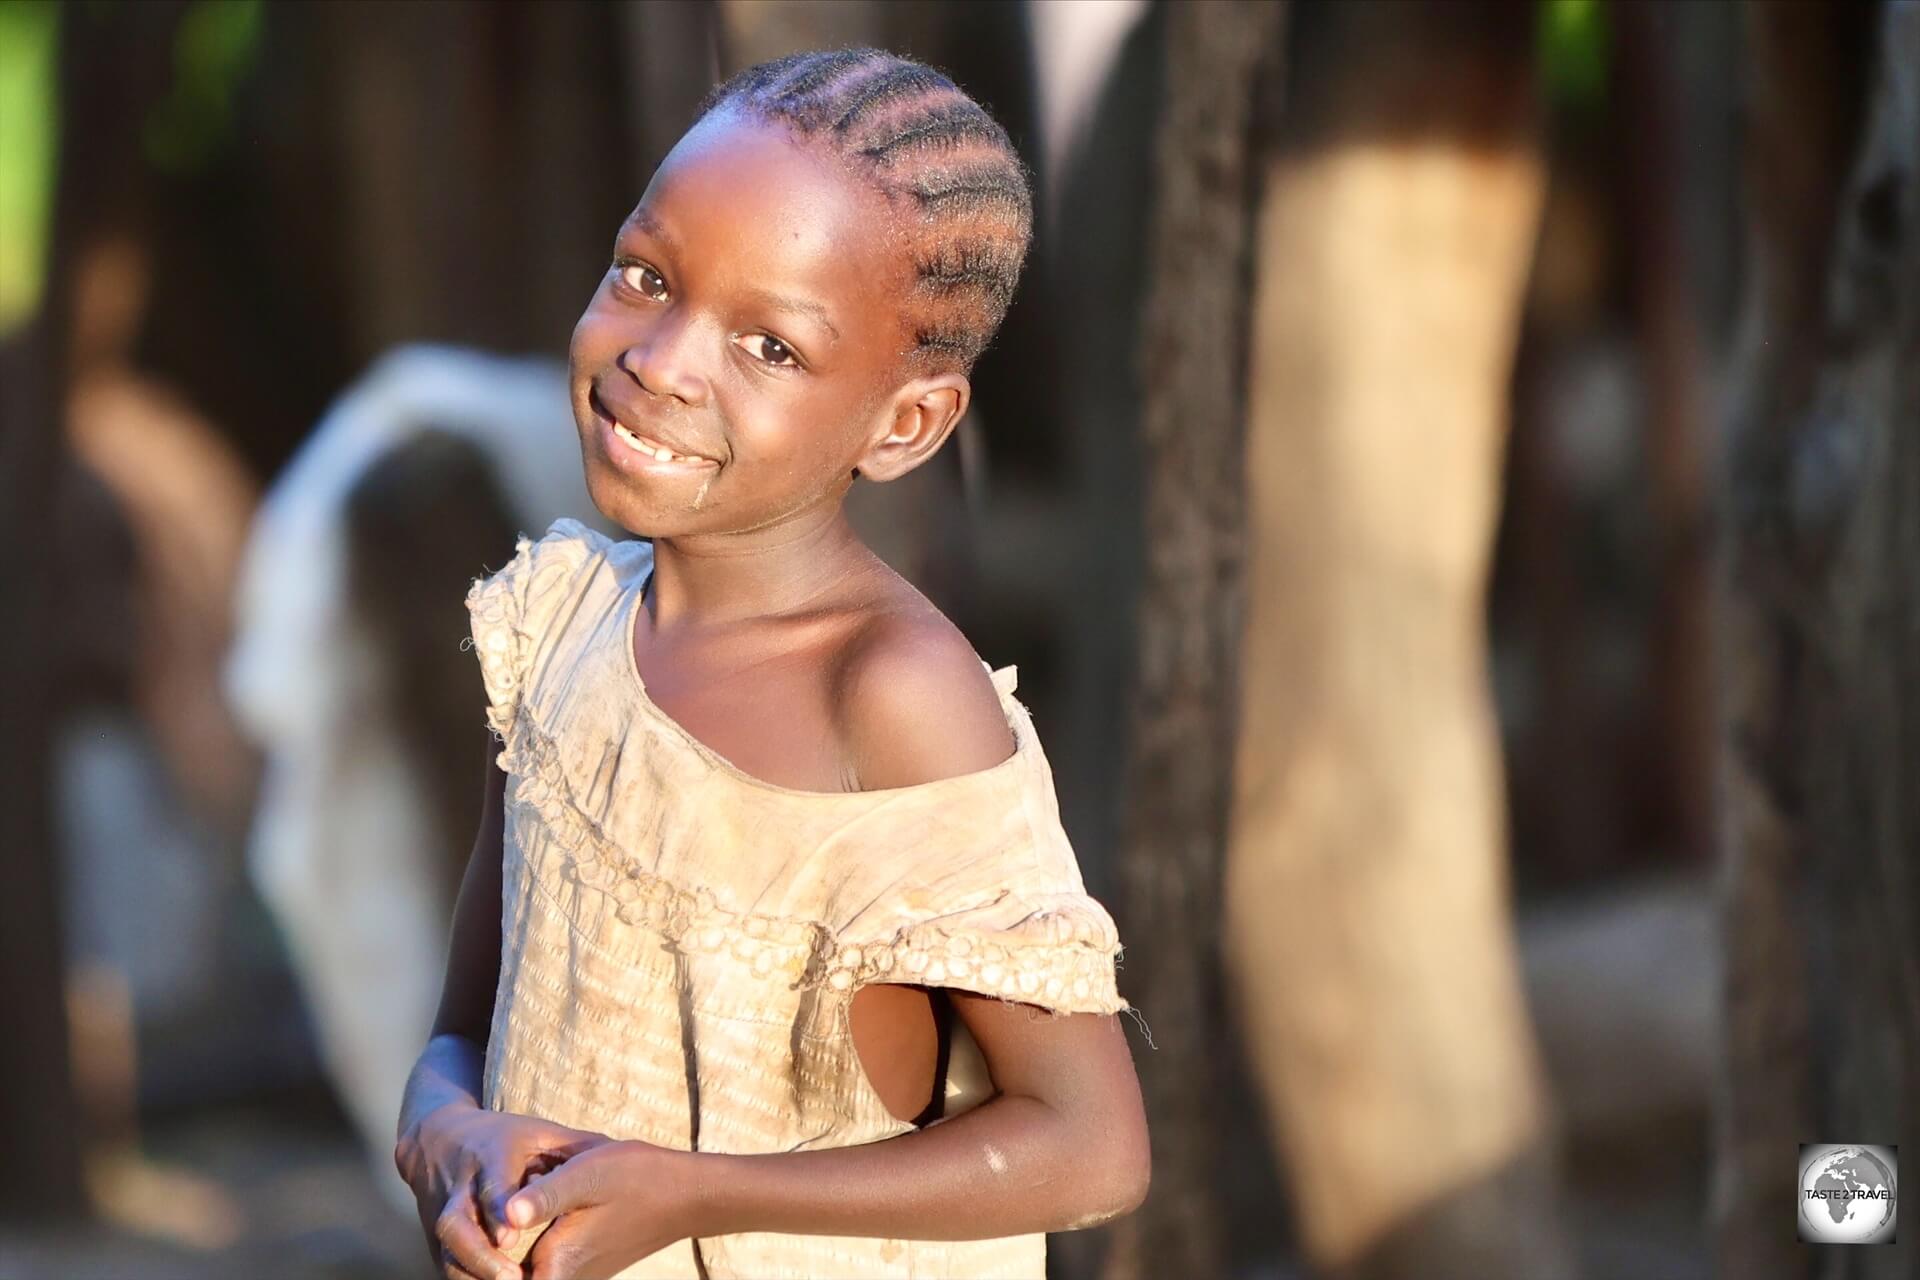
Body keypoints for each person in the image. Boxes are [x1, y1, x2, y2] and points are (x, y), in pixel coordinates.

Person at [393, 47, 1151, 1280]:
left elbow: (1092, 1143)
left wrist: (686, 1195)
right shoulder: (559, 627)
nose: (663, 360)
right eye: (646, 275)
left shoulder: (891, 696)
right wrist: (446, 1138)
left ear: (904, 424)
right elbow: (459, 1030)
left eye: (771, 348)